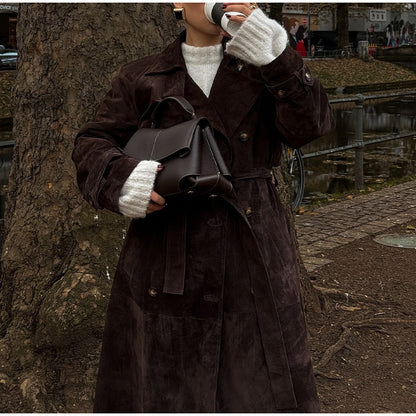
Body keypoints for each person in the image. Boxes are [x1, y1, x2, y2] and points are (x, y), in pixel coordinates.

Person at [72, 2, 334, 413]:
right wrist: (123, 178)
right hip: (166, 248)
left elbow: (310, 128)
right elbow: (92, 142)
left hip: (252, 243)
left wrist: (277, 57)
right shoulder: (141, 75)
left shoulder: (263, 67)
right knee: (164, 378)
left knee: (259, 375)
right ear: (177, 4)